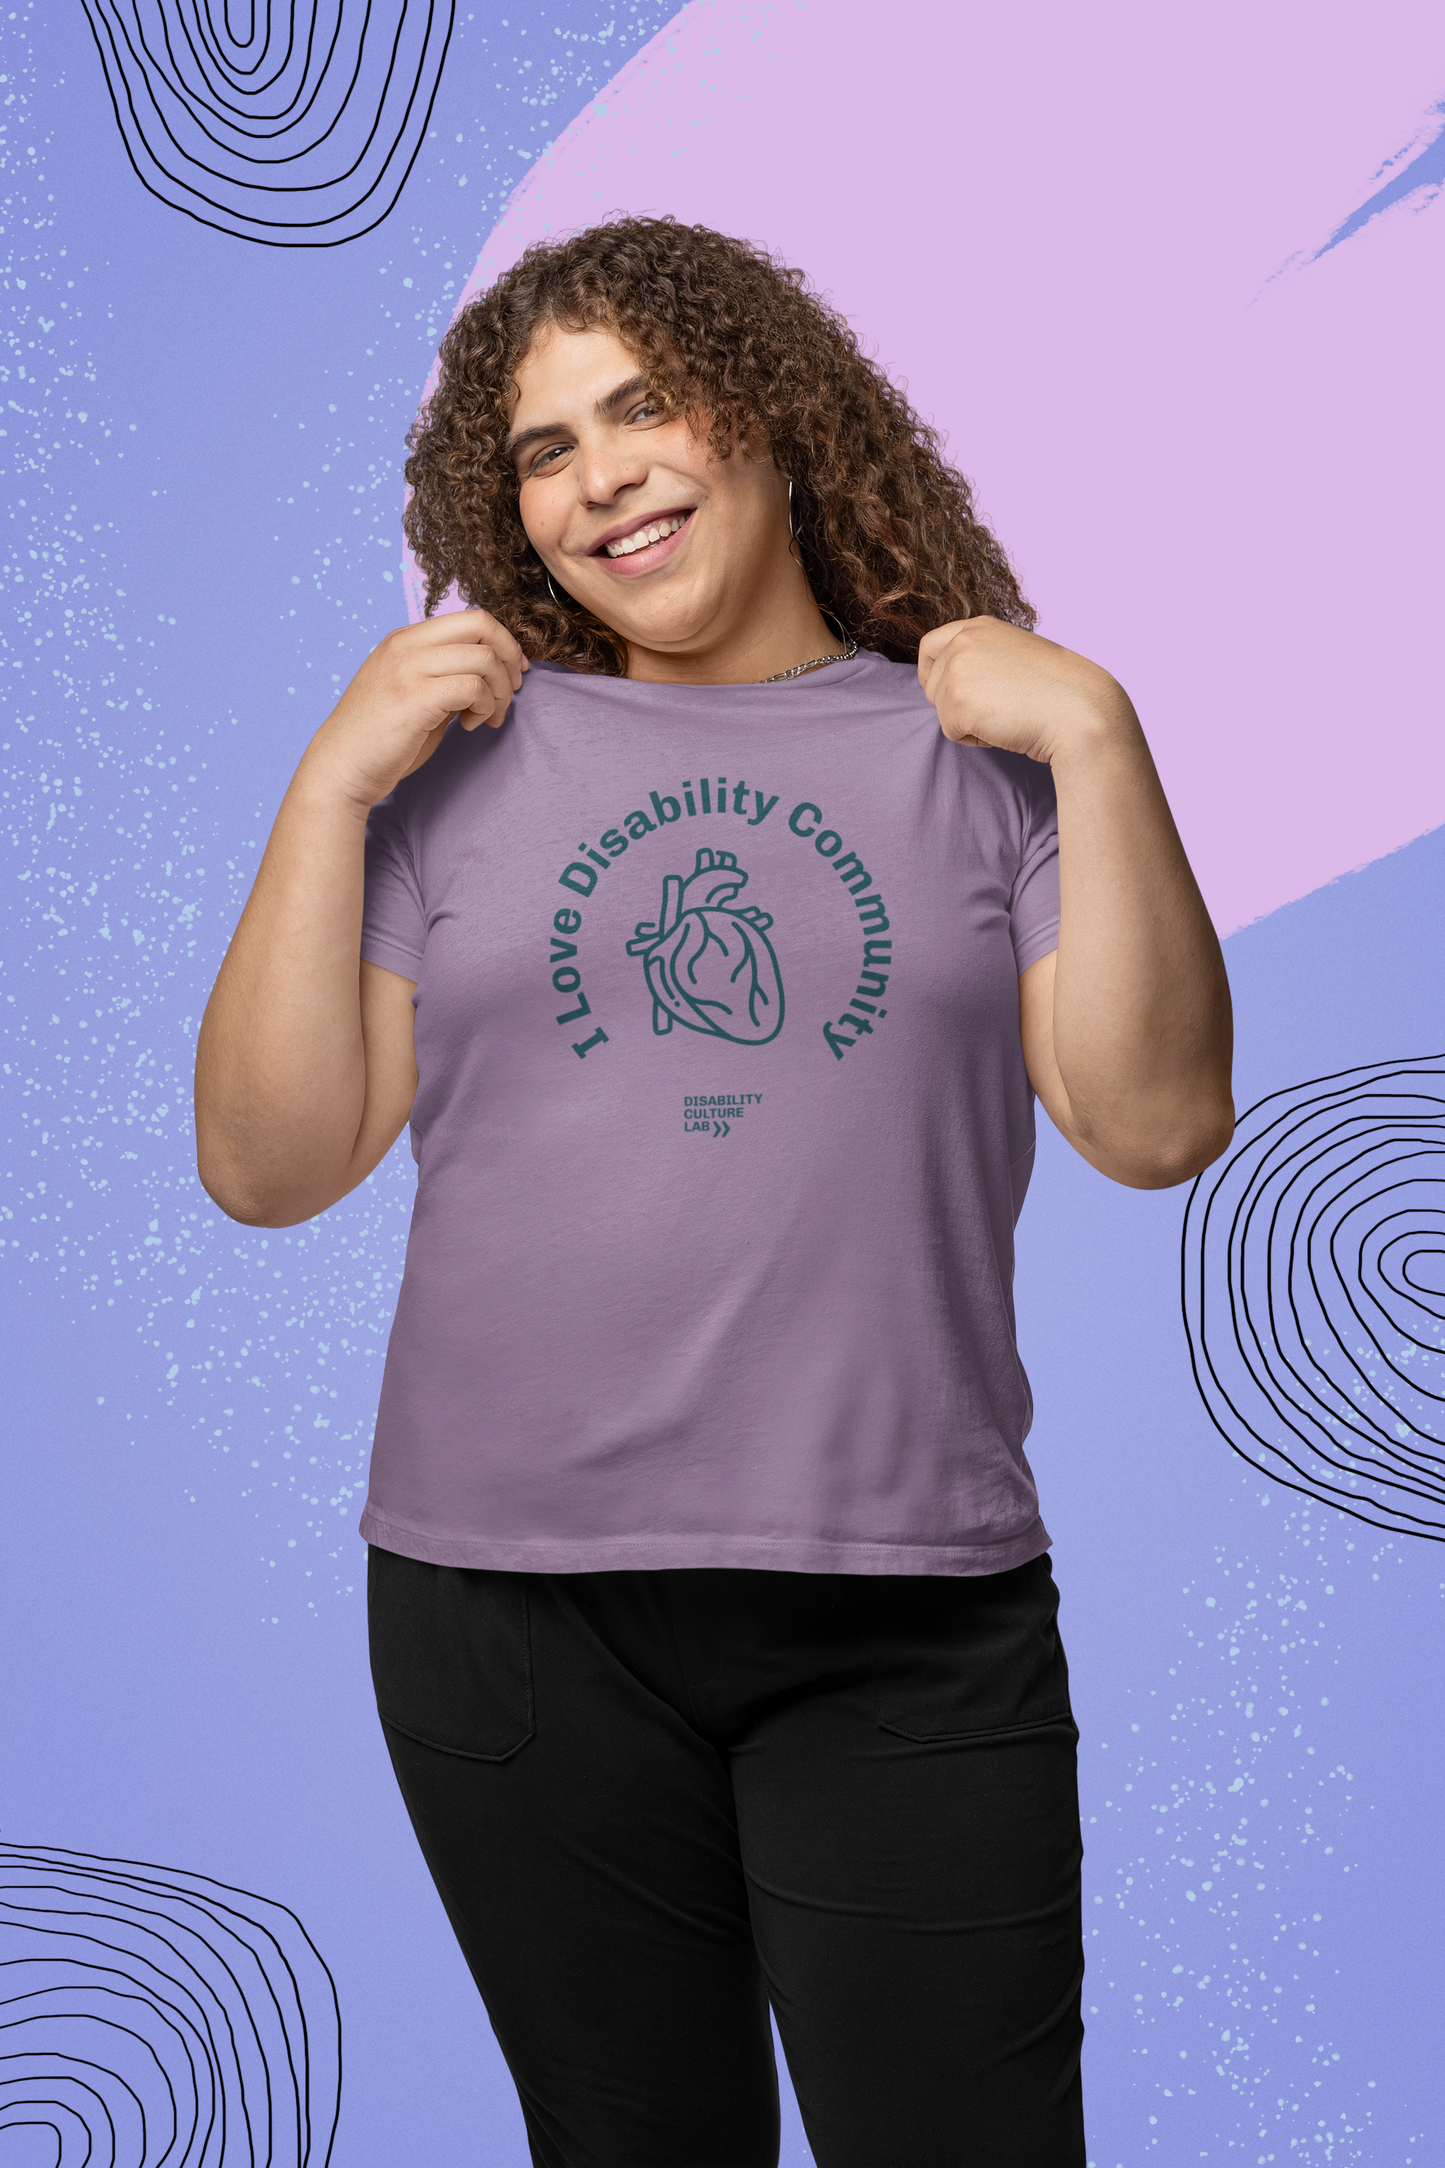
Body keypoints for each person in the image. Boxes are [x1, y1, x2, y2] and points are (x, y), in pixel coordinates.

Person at [194, 216, 1234, 2168]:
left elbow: (1152, 1120)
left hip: (900, 1610)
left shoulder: (982, 746)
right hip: (505, 1613)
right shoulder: (449, 762)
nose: (601, 472)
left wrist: (1094, 734)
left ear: (767, 415)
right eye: (545, 446)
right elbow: (267, 1165)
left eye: (643, 404)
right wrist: (327, 791)